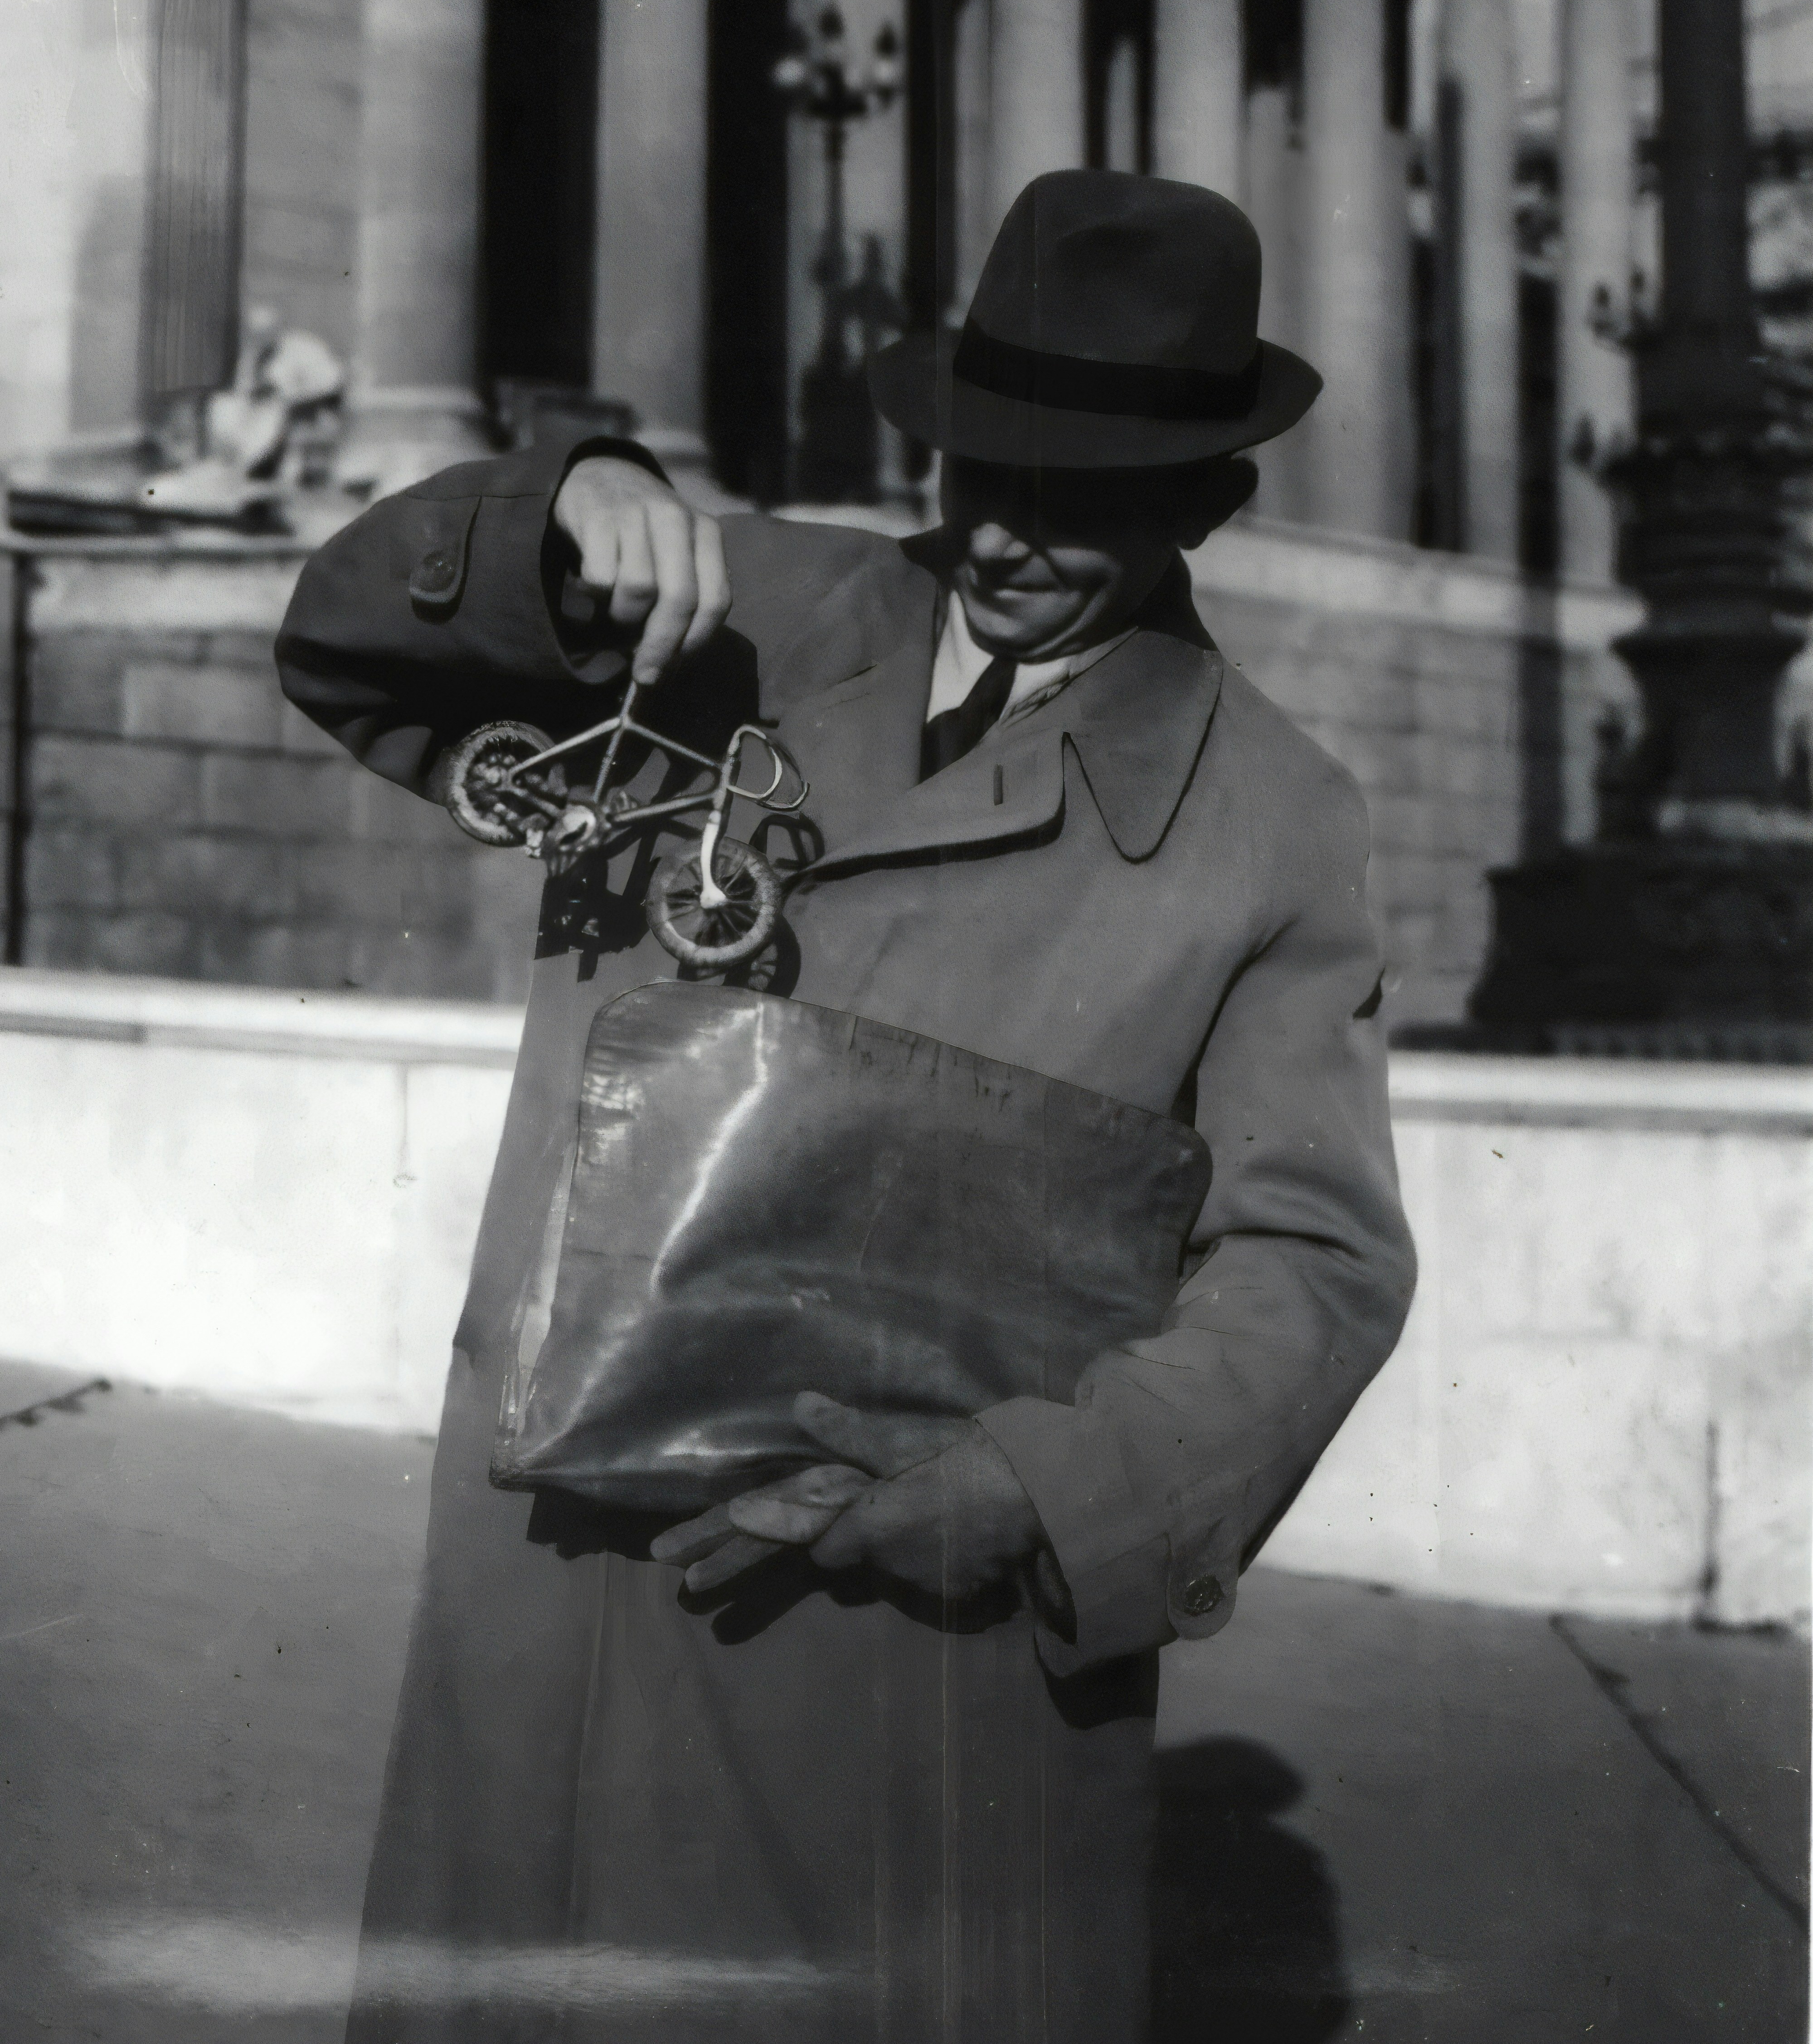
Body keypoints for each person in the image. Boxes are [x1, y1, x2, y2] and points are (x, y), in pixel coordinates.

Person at [275, 168, 1416, 2043]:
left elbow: (1313, 1262)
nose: (1012, 531)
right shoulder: (746, 608)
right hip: (548, 1612)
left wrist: (1025, 1500)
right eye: (985, 460)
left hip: (892, 1658)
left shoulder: (1277, 825)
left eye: (1091, 488)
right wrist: (566, 494)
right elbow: (348, 647)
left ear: (1209, 499)